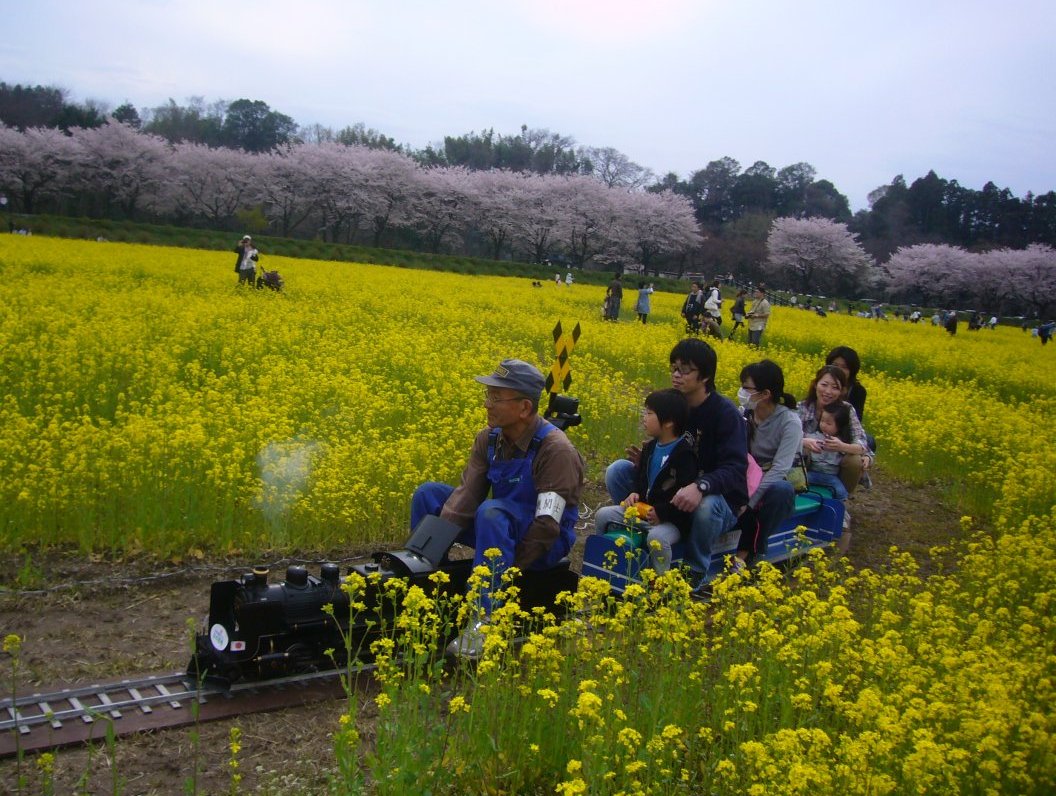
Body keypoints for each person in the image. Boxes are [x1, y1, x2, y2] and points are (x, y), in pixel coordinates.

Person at [410, 359, 584, 657]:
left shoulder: (556, 450)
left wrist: (510, 572)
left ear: (525, 408)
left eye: (495, 397)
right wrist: (429, 546)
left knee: (492, 511)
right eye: (487, 396)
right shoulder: (488, 439)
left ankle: (483, 620)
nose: (487, 404)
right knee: (429, 495)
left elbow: (547, 524)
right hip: (499, 530)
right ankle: (424, 583)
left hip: (543, 542)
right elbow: (466, 496)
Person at [605, 339, 748, 592]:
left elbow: (736, 468)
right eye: (673, 368)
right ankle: (642, 531)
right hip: (672, 492)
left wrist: (701, 485)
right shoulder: (674, 405)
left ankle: (694, 571)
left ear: (704, 376)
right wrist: (649, 463)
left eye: (685, 370)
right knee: (618, 470)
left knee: (706, 503)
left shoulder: (725, 414)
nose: (676, 375)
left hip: (718, 502)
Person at [593, 389, 696, 573]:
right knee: (603, 515)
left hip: (670, 522)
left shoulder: (684, 455)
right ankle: (602, 566)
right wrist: (635, 494)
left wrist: (662, 513)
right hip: (643, 513)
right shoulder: (649, 448)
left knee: (656, 539)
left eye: (649, 413)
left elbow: (682, 497)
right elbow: (642, 481)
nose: (644, 417)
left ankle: (660, 582)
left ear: (669, 422)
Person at [734, 360, 802, 568]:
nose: (741, 392)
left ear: (765, 394)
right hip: (746, 476)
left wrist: (751, 501)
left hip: (771, 480)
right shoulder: (743, 414)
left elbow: (780, 469)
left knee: (782, 490)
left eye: (746, 388)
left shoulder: (789, 422)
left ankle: (757, 549)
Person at [802, 402, 854, 500]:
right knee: (797, 482)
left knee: (841, 492)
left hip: (831, 476)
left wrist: (841, 447)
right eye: (822, 421)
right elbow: (803, 439)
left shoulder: (841, 441)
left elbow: (853, 450)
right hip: (813, 472)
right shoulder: (814, 436)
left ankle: (840, 508)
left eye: (829, 423)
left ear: (839, 426)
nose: (824, 425)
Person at [824, 346, 867, 422]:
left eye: (844, 367)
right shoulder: (821, 384)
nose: (838, 370)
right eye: (835, 365)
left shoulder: (858, 391)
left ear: (852, 370)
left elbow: (856, 420)